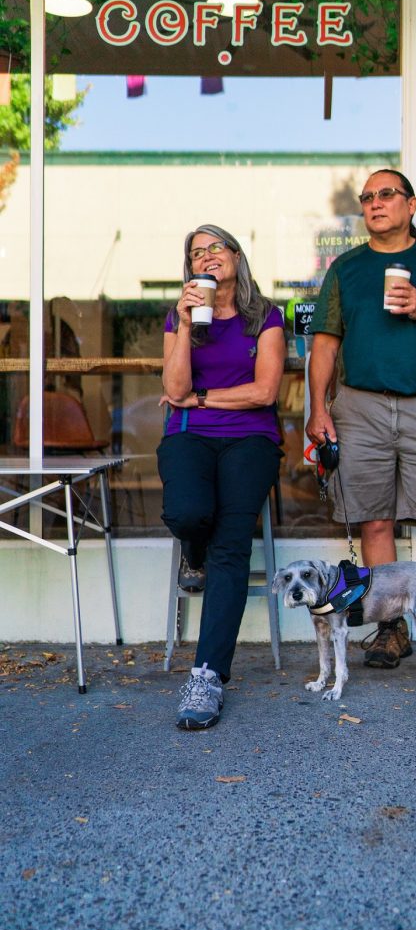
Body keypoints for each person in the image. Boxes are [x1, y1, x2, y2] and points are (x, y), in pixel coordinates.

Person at [305, 170, 416, 673]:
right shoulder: (346, 268)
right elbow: (325, 342)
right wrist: (318, 408)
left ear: (411, 205)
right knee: (375, 518)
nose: (375, 203)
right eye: (368, 197)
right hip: (359, 405)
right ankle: (391, 628)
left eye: (387, 195)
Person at [157, 224, 285, 729]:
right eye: (196, 253)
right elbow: (173, 386)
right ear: (189, 269)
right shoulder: (178, 316)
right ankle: (193, 551)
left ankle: (206, 677)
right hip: (189, 433)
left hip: (251, 437)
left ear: (235, 255)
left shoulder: (266, 316)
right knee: (188, 511)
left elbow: (265, 392)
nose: (207, 257)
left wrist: (204, 399)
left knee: (232, 545)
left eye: (215, 248)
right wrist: (186, 325)